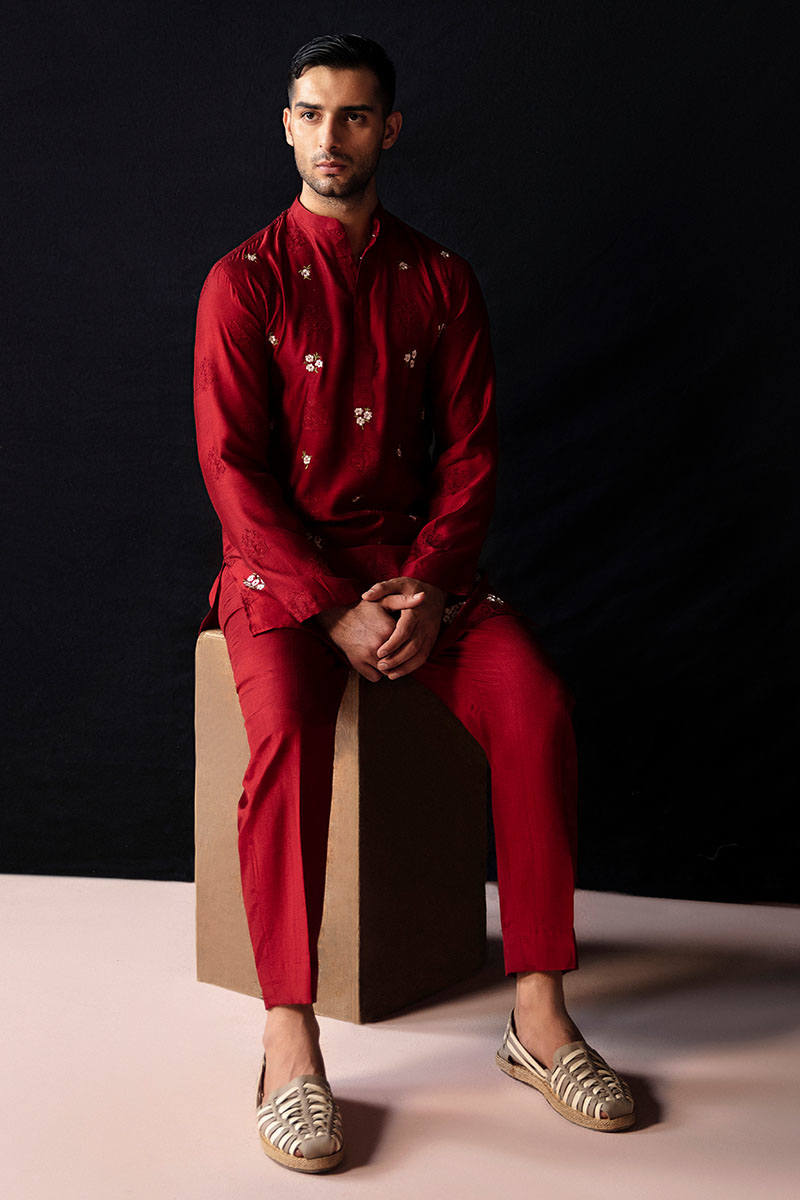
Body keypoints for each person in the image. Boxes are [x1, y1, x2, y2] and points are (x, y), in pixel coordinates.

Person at [193, 33, 634, 1174]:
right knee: (287, 739)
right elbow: (231, 470)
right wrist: (325, 603)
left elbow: (471, 458)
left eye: (353, 115)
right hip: (281, 577)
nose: (330, 136)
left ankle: (538, 1017)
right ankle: (287, 1040)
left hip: (419, 574)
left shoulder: (441, 280)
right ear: (285, 125)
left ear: (388, 129)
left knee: (534, 706)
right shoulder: (242, 281)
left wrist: (430, 589)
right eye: (310, 114)